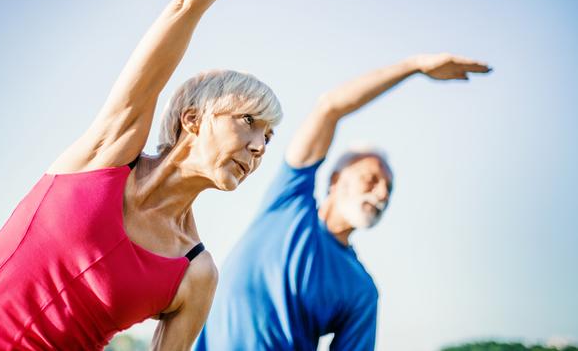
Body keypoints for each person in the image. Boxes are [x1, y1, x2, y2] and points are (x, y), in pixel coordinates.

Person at [0, 0, 282, 350]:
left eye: (268, 138)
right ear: (192, 119)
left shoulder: (196, 272)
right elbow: (184, 5)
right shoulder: (106, 155)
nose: (258, 147)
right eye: (248, 121)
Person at [196, 53, 491, 350]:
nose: (382, 194)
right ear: (336, 180)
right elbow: (330, 107)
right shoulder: (289, 200)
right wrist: (413, 67)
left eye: (389, 188)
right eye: (371, 180)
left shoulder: (362, 291)